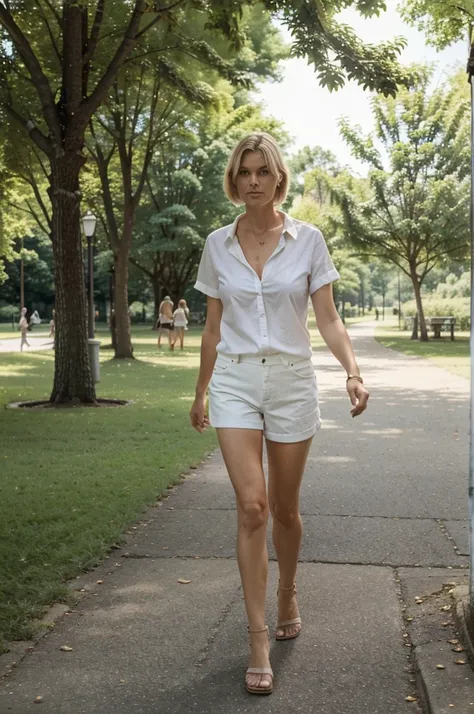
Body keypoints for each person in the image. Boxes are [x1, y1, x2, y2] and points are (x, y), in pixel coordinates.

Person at [189, 132, 369, 696]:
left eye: (262, 171)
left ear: (278, 177)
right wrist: (200, 393)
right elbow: (213, 329)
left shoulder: (308, 240)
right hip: (237, 381)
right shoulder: (217, 244)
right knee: (252, 507)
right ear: (234, 179)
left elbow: (329, 318)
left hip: (292, 382)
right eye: (243, 172)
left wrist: (353, 370)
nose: (252, 182)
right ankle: (257, 636)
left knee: (285, 510)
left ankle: (288, 588)